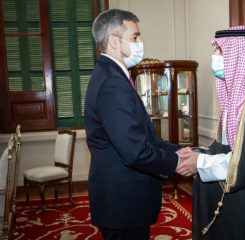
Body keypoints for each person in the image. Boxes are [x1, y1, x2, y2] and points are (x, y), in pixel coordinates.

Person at [177, 25, 245, 240]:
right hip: (236, 197)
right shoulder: (236, 95)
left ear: (238, 54)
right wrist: (199, 153)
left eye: (220, 51)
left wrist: (200, 163)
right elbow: (229, 146)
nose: (215, 57)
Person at [84, 9, 179, 240]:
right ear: (115, 42)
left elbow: (141, 137)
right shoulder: (112, 83)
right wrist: (178, 162)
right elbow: (135, 151)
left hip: (121, 199)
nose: (141, 43)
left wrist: (180, 150)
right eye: (135, 37)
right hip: (124, 202)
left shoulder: (111, 74)